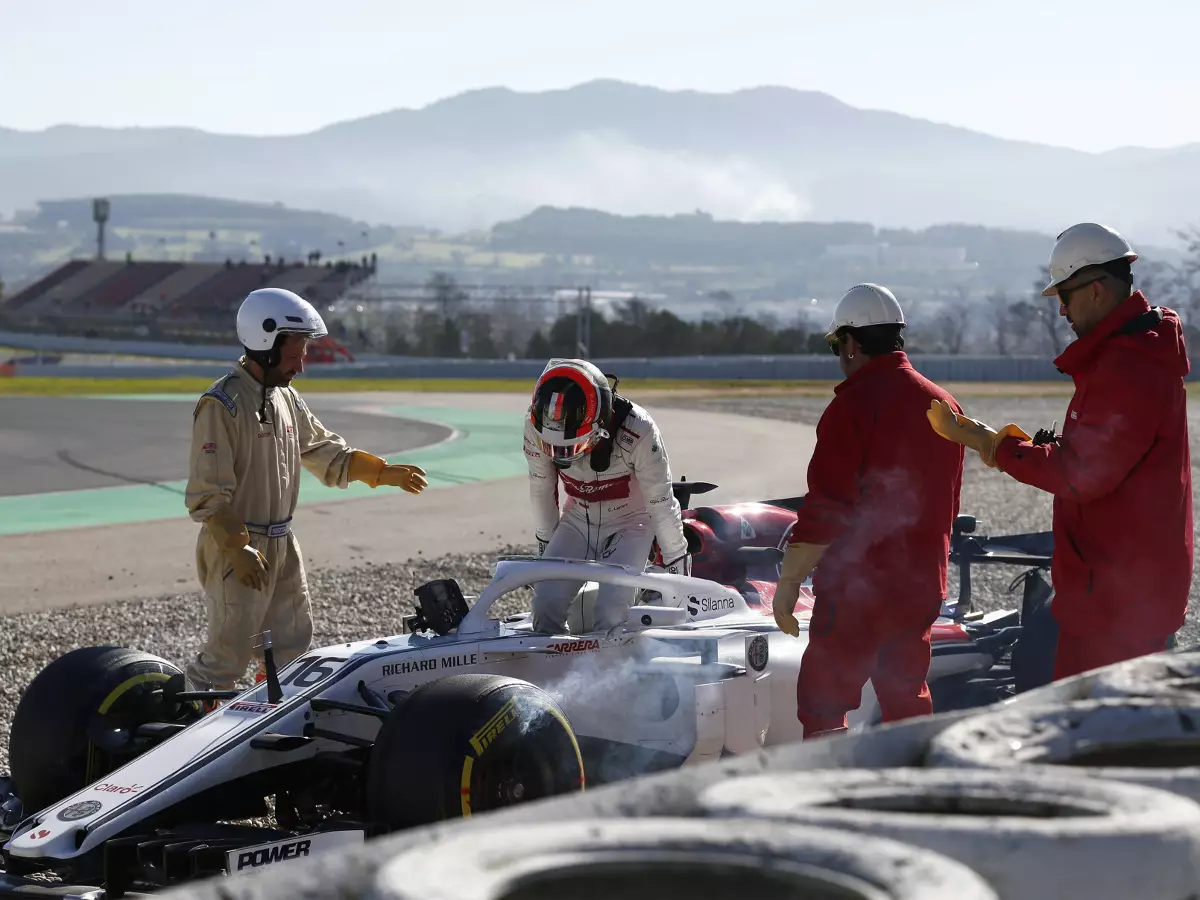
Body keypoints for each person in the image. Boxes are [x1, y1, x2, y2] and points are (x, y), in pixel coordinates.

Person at [927, 222, 1192, 681]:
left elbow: (1082, 475)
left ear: (1096, 289)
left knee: (1103, 736)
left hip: (1118, 603)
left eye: (1065, 296)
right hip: (1119, 590)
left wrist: (994, 444)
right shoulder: (1131, 356)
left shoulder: (1127, 366)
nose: (1063, 310)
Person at [184, 288, 428, 699]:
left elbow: (325, 451)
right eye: (296, 353)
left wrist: (381, 472)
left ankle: (268, 714)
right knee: (226, 654)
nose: (302, 364)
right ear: (266, 342)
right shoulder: (222, 405)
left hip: (281, 543)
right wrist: (236, 548)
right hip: (236, 547)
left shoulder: (287, 399)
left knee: (290, 646)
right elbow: (209, 497)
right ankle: (189, 728)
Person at [773, 284, 966, 739]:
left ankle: (826, 792)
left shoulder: (851, 408)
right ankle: (915, 790)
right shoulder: (945, 403)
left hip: (860, 591)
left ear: (853, 343)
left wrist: (789, 582)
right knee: (906, 698)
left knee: (823, 702)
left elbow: (826, 508)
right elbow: (948, 503)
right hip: (921, 584)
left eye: (839, 346)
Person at [524, 358, 691, 636]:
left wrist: (678, 575)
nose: (565, 456)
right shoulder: (534, 425)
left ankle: (611, 675)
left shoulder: (639, 429)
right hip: (576, 520)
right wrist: (545, 549)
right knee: (544, 604)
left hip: (631, 525)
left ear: (601, 422)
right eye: (554, 448)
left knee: (611, 611)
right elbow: (541, 489)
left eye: (573, 446)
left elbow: (661, 504)